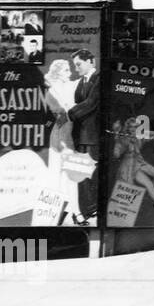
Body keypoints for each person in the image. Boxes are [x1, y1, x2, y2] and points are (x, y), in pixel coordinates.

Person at [111, 117, 154, 221]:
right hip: (130, 167)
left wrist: (142, 132)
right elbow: (116, 155)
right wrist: (117, 135)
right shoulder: (123, 139)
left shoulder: (139, 138)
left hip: (140, 163)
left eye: (136, 127)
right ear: (128, 128)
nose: (133, 129)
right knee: (149, 185)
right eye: (131, 127)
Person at [61, 49, 101, 223]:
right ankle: (87, 210)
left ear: (91, 61)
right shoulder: (81, 82)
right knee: (80, 173)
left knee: (91, 173)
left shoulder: (99, 78)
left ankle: (92, 209)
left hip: (92, 135)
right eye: (75, 65)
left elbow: (91, 103)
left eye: (79, 64)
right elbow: (79, 101)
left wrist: (68, 114)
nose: (76, 68)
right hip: (81, 135)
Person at [43, 59, 83, 225]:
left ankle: (76, 212)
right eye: (66, 70)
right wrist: (70, 108)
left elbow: (83, 80)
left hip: (69, 137)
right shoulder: (50, 93)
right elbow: (60, 117)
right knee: (56, 179)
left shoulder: (70, 86)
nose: (70, 72)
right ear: (58, 73)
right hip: (58, 139)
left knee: (71, 178)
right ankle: (53, 216)